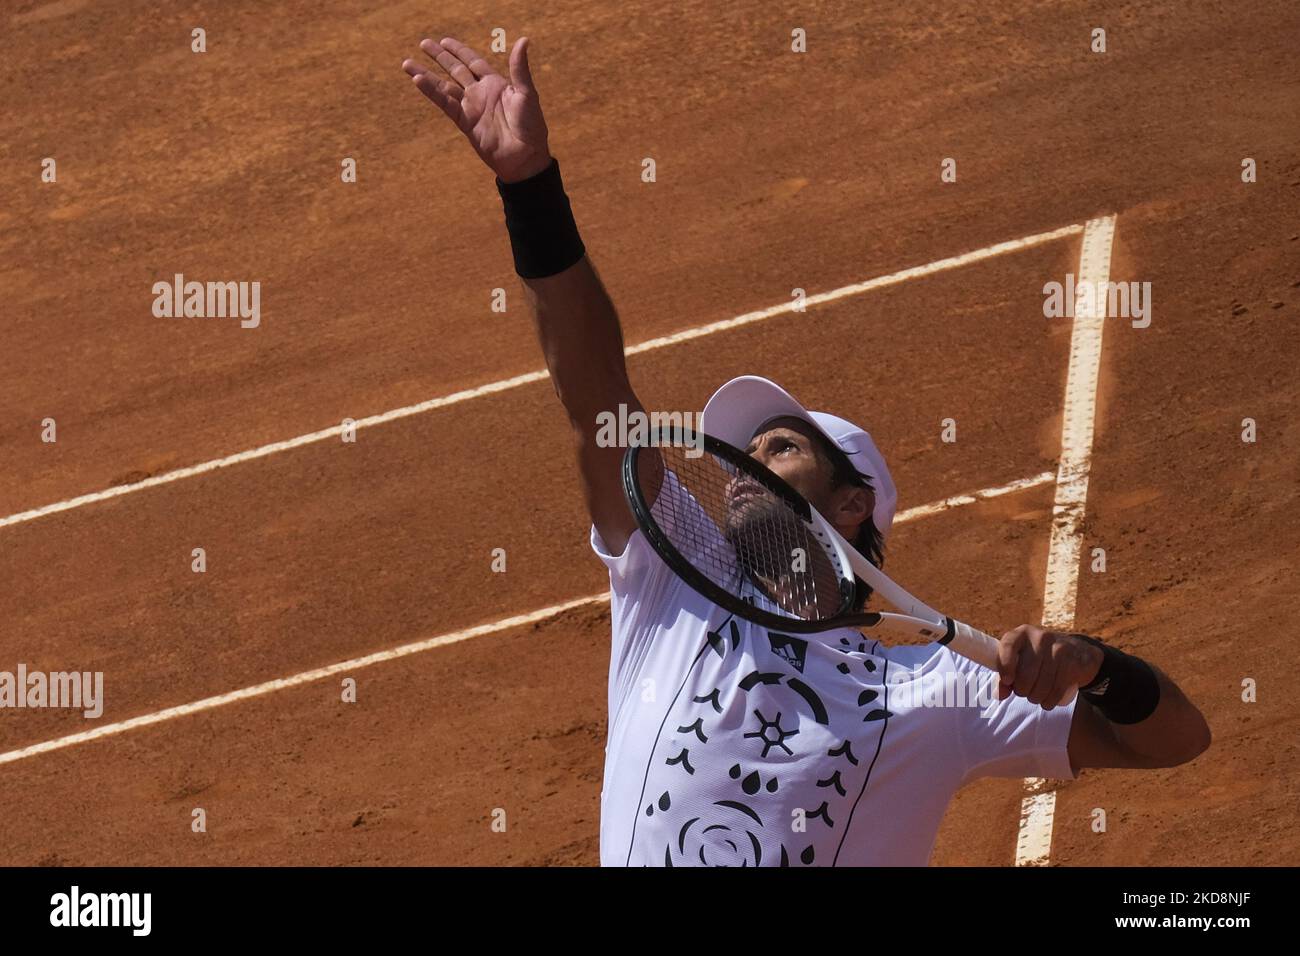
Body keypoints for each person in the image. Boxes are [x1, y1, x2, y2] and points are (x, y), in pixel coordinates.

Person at [402, 35, 1211, 866]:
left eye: (778, 449)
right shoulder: (673, 592)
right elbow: (593, 391)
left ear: (853, 502)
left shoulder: (934, 696)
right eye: (738, 459)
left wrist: (1094, 663)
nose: (742, 471)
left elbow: (1175, 738)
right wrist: (530, 190)